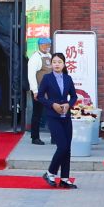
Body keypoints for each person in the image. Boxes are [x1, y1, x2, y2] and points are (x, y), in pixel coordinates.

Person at [37, 52, 78, 187]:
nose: (56, 64)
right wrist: (52, 104)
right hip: (53, 117)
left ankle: (65, 178)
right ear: (51, 64)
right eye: (54, 62)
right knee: (62, 146)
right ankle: (50, 173)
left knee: (67, 148)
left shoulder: (68, 78)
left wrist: (68, 104)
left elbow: (74, 96)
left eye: (59, 62)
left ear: (64, 64)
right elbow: (40, 97)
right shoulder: (47, 78)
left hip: (66, 116)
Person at [27, 37, 54, 143]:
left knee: (52, 113)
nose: (47, 47)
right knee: (37, 114)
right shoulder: (35, 57)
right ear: (39, 45)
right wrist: (35, 90)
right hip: (39, 90)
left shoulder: (50, 56)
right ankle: (35, 137)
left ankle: (54, 137)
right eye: (44, 45)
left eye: (48, 45)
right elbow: (31, 75)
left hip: (50, 90)